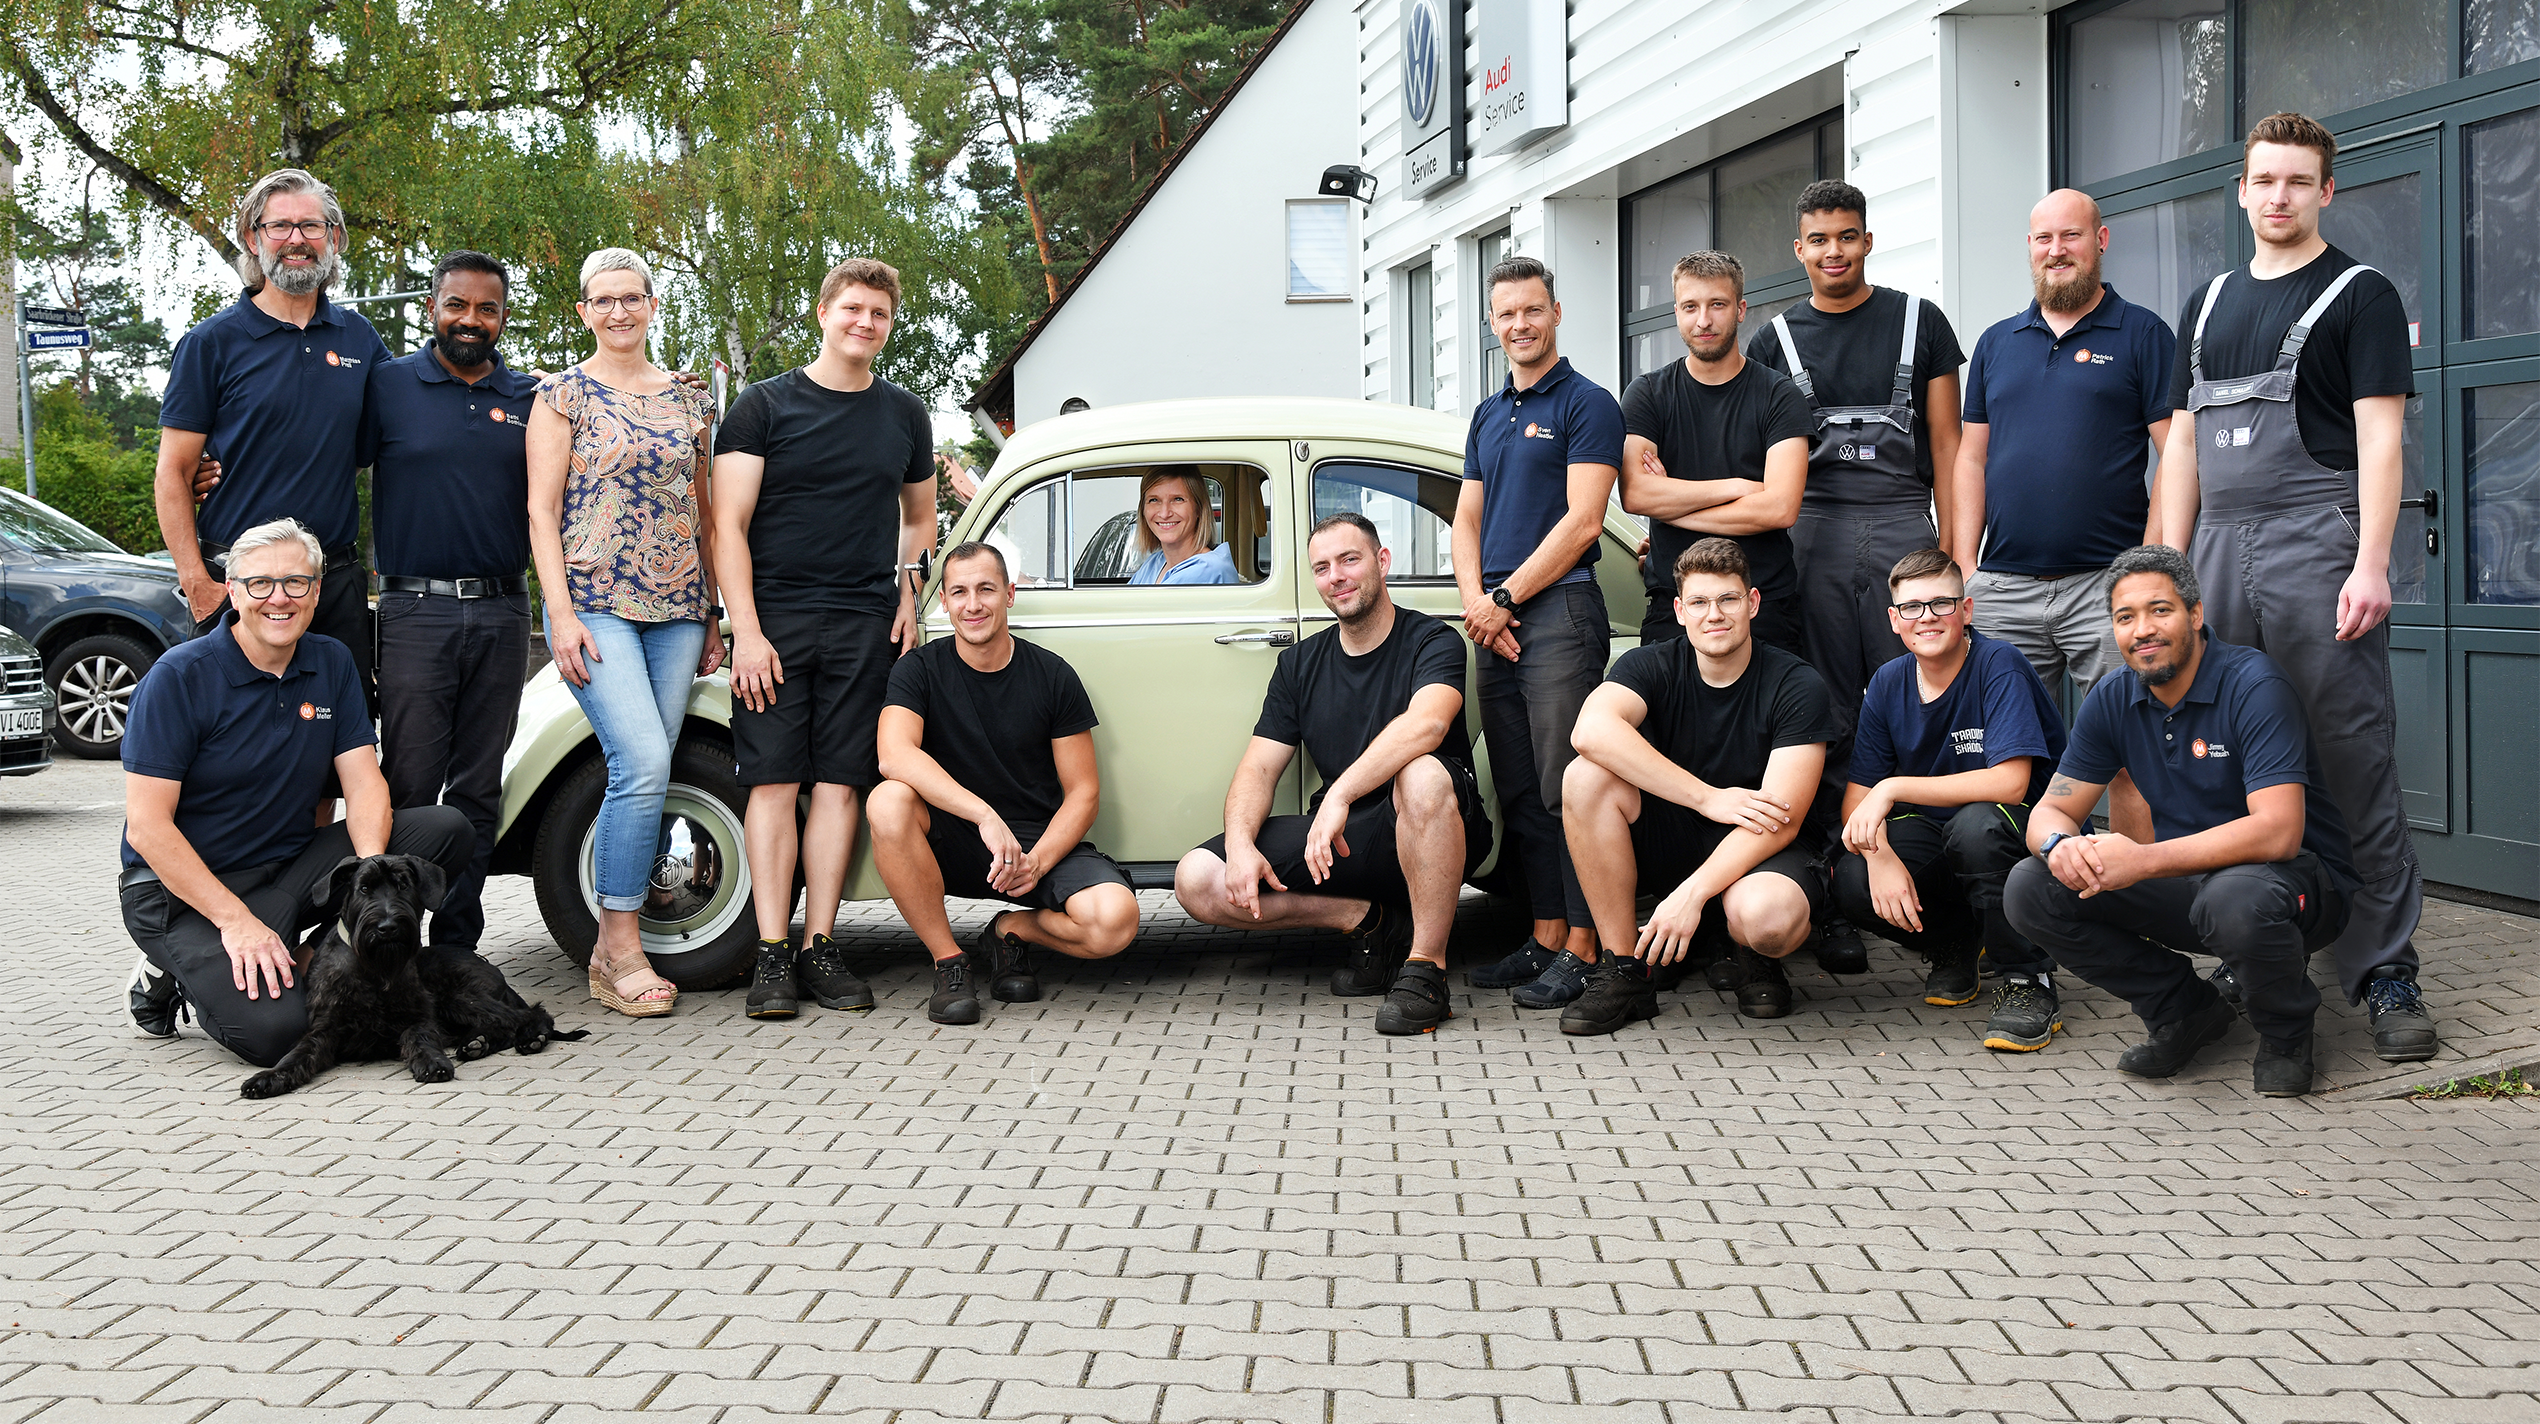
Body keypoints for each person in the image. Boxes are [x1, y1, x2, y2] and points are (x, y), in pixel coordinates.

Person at [2154, 112, 2433, 1065]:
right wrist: (2165, 569)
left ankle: (2383, 966)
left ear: (2326, 192)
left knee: (2349, 755)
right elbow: (2184, 445)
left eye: (2297, 181)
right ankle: (2259, 943)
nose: (2278, 196)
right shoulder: (2208, 301)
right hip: (2219, 550)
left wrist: (2372, 564)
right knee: (2234, 759)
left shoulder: (2362, 295)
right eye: (2263, 180)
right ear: (2241, 191)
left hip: (2321, 542)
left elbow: (2380, 442)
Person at [118, 519, 474, 1067]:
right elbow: (147, 827)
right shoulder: (179, 677)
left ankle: (313, 954)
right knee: (278, 1036)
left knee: (442, 829)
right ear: (232, 590)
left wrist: (368, 875)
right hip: (184, 891)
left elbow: (363, 783)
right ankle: (174, 972)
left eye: (296, 582)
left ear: (317, 589)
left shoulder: (329, 661)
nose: (278, 598)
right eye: (260, 584)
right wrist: (235, 922)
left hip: (285, 870)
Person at [2006, 546, 2357, 1098]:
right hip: (2190, 881)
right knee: (2031, 886)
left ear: (2195, 614)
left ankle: (2286, 1033)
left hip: (2297, 886)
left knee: (2234, 901)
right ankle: (2184, 1009)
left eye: (2159, 611)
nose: (2142, 630)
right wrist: (2057, 845)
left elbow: (2279, 831)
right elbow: (2052, 808)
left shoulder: (2253, 685)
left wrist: (2142, 860)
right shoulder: (2112, 697)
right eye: (2125, 617)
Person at [1745, 179, 1967, 980]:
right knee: (1824, 716)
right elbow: (1752, 461)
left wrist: (1958, 555)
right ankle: (1836, 897)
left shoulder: (1920, 322)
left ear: (1868, 240)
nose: (1833, 251)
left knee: (1917, 705)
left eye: (1847, 236)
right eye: (1818, 239)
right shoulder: (1772, 341)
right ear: (1798, 249)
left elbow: (1949, 450)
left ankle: (1941, 900)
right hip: (1810, 543)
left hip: (1907, 533)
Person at [711, 258, 938, 1020]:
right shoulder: (762, 407)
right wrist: (744, 629)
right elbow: (728, 527)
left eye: (878, 313)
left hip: (863, 622)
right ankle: (771, 955)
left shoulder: (904, 415)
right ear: (823, 312)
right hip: (772, 622)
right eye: (852, 309)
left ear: (888, 325)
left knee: (841, 782)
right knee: (774, 782)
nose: (864, 323)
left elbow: (918, 517)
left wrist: (908, 591)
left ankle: (819, 947)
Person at [1173, 513, 1490, 1035]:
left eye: (1349, 559)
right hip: (1343, 839)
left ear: (1381, 563)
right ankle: (1371, 923)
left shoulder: (1432, 639)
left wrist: (1341, 793)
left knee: (1422, 776)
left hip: (1433, 823)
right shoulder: (1300, 664)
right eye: (1322, 568)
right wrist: (1240, 842)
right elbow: (1258, 766)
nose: (1336, 576)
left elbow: (1427, 724)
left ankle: (1427, 969)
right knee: (1197, 879)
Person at [527, 247, 726, 1019]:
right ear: (583, 310)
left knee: (654, 761)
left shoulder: (688, 398)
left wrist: (711, 610)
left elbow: (704, 510)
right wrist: (562, 613)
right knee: (640, 758)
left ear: (651, 304)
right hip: (594, 598)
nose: (618, 311)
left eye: (631, 298)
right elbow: (542, 512)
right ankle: (618, 946)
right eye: (603, 300)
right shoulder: (562, 396)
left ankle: (615, 939)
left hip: (677, 606)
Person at [1951, 188, 2173, 842]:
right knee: (2010, 760)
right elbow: (1970, 460)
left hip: (2105, 587)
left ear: (2099, 242)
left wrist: (2152, 563)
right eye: (2044, 239)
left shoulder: (2142, 334)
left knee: (2131, 755)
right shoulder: (1996, 344)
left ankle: (2138, 902)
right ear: (2029, 248)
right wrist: (1965, 562)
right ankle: (2033, 907)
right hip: (2004, 588)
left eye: (2071, 237)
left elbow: (2176, 453)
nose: (2057, 251)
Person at [1558, 538, 1839, 1034]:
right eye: (1700, 602)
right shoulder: (1650, 665)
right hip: (1681, 829)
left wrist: (1690, 895)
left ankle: (1749, 952)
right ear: (1679, 610)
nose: (1715, 614)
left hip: (1761, 842)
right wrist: (1707, 798)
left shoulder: (1796, 683)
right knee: (1584, 778)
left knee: (1768, 920)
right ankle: (1625, 970)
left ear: (1752, 603)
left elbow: (1782, 822)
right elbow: (1590, 732)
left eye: (1729, 599)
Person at [869, 543, 1139, 1025]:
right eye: (959, 592)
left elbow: (1083, 792)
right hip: (954, 838)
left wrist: (1038, 862)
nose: (973, 604)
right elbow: (894, 755)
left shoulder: (1053, 675)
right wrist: (983, 815)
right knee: (888, 802)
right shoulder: (919, 669)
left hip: (1036, 841)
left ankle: (1009, 934)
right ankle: (949, 962)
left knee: (1115, 921)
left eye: (986, 589)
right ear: (945, 603)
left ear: (1010, 595)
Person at [1452, 255, 1624, 1009]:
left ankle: (1588, 946)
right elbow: (1466, 519)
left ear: (1556, 314)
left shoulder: (1588, 404)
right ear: (1493, 326)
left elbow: (1584, 520)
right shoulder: (1488, 414)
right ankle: (1547, 933)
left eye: (1532, 310)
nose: (1519, 325)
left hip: (1559, 613)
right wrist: (1478, 605)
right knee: (1521, 791)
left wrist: (1506, 597)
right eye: (1506, 315)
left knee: (1567, 789)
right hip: (1497, 620)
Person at [154, 169, 390, 705]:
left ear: (332, 237)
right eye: (280, 226)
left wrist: (519, 390)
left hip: (333, 586)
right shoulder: (211, 343)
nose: (296, 240)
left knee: (333, 748)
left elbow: (406, 420)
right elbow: (172, 471)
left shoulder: (359, 338)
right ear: (254, 238)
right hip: (239, 586)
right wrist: (197, 584)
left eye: (311, 225)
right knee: (230, 747)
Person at [359, 250, 537, 957]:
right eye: (456, 305)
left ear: (502, 316)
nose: (470, 320)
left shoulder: (531, 398)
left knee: (478, 791)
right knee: (408, 792)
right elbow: (314, 457)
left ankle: (458, 945)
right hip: (411, 615)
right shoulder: (387, 387)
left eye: (486, 308)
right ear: (433, 306)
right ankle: (392, 940)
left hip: (502, 613)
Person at [1827, 548, 2067, 1050]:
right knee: (1851, 876)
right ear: (1894, 621)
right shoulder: (1889, 682)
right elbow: (1856, 804)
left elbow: (2010, 784)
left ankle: (2028, 978)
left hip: (2026, 838)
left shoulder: (2000, 663)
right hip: (1943, 837)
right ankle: (1956, 942)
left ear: (1967, 610)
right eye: (1912, 607)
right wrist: (1880, 855)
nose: (1928, 617)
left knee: (1976, 828)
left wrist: (1893, 788)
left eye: (1942, 603)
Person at [1619, 251, 1812, 655]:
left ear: (1741, 309)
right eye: (1690, 306)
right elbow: (1636, 495)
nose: (1703, 320)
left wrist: (1672, 505)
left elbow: (1779, 509)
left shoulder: (1779, 396)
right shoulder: (1648, 395)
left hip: (1764, 603)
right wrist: (1739, 487)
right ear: (1676, 312)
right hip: (1674, 606)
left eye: (1717, 305)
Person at [1129, 468, 1240, 585]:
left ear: (1198, 509)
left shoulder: (1210, 569)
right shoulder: (1154, 562)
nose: (1164, 513)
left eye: (1178, 499)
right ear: (1143, 510)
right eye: (1154, 500)